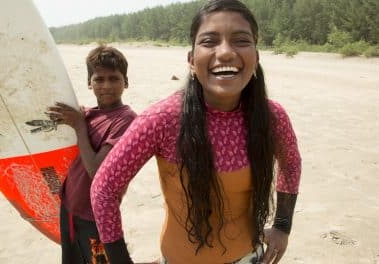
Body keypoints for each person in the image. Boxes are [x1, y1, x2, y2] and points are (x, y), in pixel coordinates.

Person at [90, 1, 301, 263]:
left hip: (251, 256)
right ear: (191, 60)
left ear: (256, 57)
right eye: (210, 41)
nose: (225, 52)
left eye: (241, 40)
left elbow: (291, 164)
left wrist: (282, 225)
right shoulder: (163, 120)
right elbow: (104, 188)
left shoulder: (271, 117)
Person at [47, 45, 137, 264]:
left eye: (114, 79)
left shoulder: (126, 120)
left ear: (125, 82)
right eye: (99, 79)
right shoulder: (87, 115)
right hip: (69, 208)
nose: (106, 86)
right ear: (89, 83)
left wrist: (79, 126)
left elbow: (97, 171)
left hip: (96, 217)